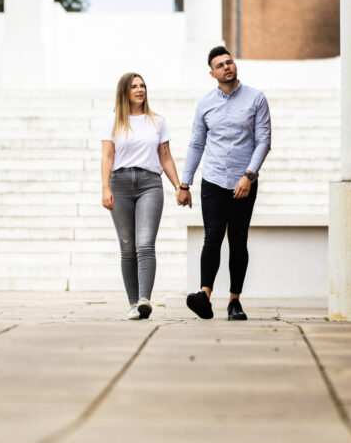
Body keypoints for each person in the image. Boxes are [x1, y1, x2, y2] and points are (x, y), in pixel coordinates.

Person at [178, 46, 271, 321]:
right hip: (214, 180)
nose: (226, 67)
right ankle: (204, 296)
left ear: (235, 66)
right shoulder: (205, 104)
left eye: (229, 62)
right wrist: (185, 184)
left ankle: (234, 302)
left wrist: (249, 175)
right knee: (212, 237)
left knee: (238, 240)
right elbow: (197, 144)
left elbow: (263, 141)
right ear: (212, 73)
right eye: (220, 65)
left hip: (244, 181)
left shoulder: (256, 98)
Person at [101, 72, 186, 320]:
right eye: (134, 86)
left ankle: (144, 300)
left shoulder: (157, 122)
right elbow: (107, 156)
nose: (140, 90)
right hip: (120, 183)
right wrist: (105, 187)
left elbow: (165, 157)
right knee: (127, 247)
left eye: (143, 86)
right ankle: (132, 303)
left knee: (145, 244)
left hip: (150, 183)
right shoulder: (113, 121)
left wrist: (179, 186)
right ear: (124, 92)